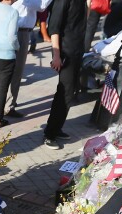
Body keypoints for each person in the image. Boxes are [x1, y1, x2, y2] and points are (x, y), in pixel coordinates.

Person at [42, 0, 84, 149]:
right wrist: (56, 56)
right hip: (66, 52)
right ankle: (49, 134)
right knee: (65, 93)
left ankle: (57, 127)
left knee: (68, 92)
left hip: (76, 51)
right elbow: (54, 29)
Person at [7, 0, 52, 117]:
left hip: (22, 32)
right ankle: (8, 105)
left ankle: (9, 102)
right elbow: (42, 6)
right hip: (20, 33)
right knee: (16, 71)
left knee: (15, 70)